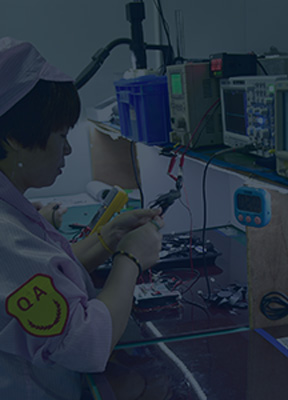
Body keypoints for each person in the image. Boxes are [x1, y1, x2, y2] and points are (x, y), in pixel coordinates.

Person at [0, 37, 165, 399]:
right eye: (61, 134)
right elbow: (87, 343)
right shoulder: (5, 235)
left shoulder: (11, 208)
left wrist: (107, 238)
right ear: (14, 138)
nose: (68, 148)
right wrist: (130, 259)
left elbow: (44, 281)